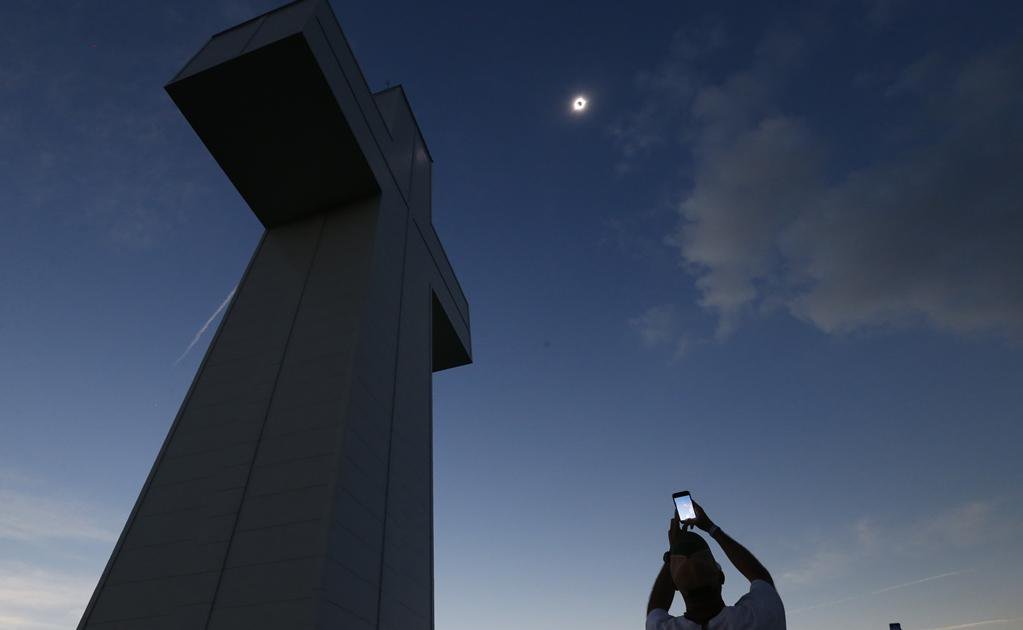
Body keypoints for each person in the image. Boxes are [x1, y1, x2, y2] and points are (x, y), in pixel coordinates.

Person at [646, 500, 786, 629]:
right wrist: (711, 528)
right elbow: (760, 577)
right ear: (721, 576)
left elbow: (655, 607)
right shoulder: (761, 618)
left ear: (674, 585)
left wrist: (673, 552)